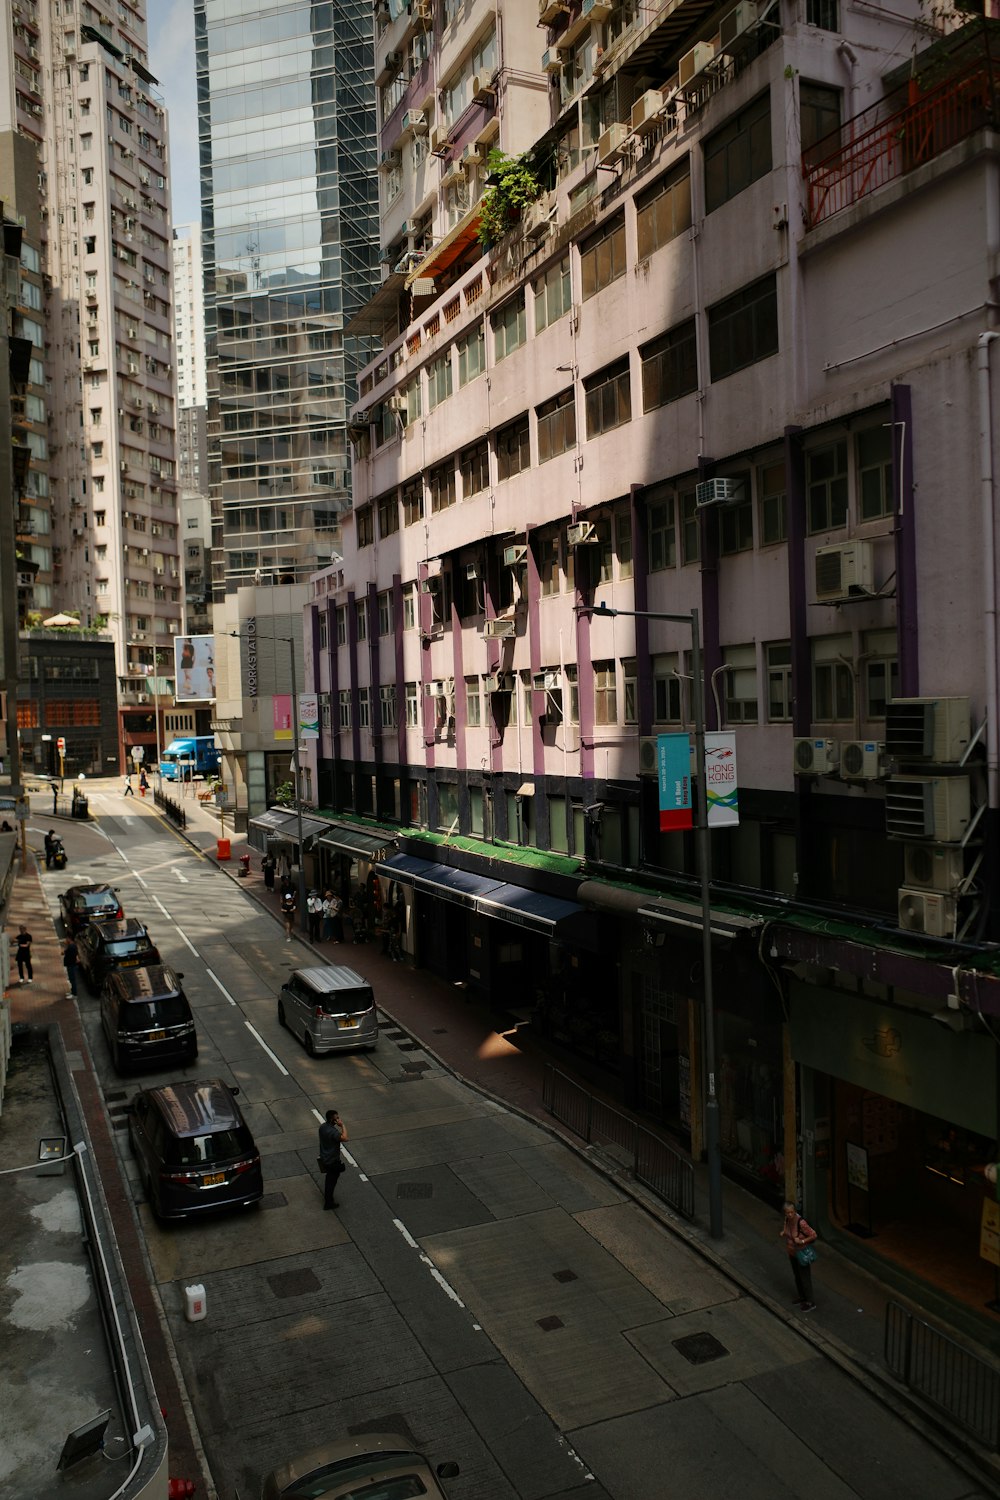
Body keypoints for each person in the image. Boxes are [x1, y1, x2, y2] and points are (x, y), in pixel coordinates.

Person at [780, 1201, 818, 1311]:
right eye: (787, 1213)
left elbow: (813, 1235)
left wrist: (801, 1241)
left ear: (795, 1211)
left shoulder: (801, 1223)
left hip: (801, 1253)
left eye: (792, 1212)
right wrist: (783, 1232)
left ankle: (810, 1302)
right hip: (792, 1252)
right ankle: (802, 1297)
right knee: (797, 1276)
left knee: (805, 1277)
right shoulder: (787, 1220)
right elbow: (788, 1231)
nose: (790, 1215)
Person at [317, 1108, 348, 1210]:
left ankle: (329, 1199)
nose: (339, 1119)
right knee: (331, 1181)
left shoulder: (322, 1127)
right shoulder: (332, 1132)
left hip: (324, 1158)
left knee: (329, 1179)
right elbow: (345, 1138)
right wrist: (342, 1125)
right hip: (332, 1160)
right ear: (332, 1120)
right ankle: (329, 1202)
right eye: (337, 1118)